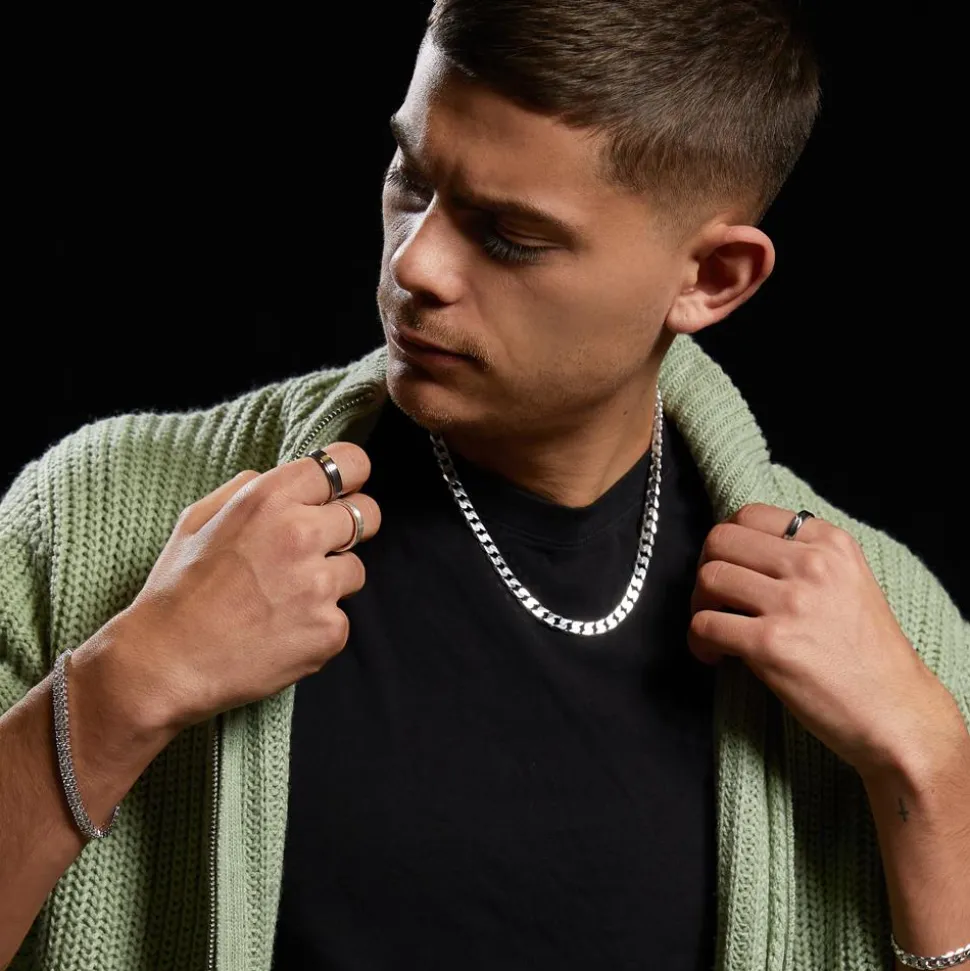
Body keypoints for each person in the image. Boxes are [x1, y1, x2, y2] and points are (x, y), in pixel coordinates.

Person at [2, 0, 969, 968]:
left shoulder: (897, 634)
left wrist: (932, 771)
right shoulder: (99, 519)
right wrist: (127, 684)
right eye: (411, 178)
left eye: (508, 235)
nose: (415, 262)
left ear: (712, 277)